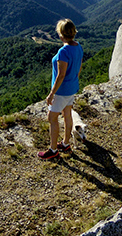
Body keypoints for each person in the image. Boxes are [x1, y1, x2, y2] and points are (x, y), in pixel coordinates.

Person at [38, 19, 83, 160]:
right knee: (67, 115)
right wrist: (74, 81)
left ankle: (53, 150)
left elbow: (61, 75)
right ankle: (65, 144)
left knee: (52, 118)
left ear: (61, 34)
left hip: (61, 91)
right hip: (72, 88)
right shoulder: (78, 46)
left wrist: (51, 93)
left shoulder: (63, 51)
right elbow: (79, 67)